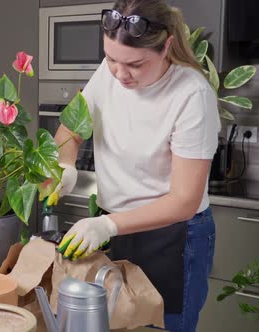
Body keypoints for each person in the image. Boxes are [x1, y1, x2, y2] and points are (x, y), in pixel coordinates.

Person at [54, 0, 220, 331]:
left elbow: (184, 200)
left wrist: (107, 226)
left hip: (172, 238)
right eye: (111, 58)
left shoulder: (191, 94)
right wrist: (66, 164)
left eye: (135, 64)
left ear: (167, 46)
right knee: (116, 322)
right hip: (115, 228)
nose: (120, 73)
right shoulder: (109, 72)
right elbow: (70, 128)